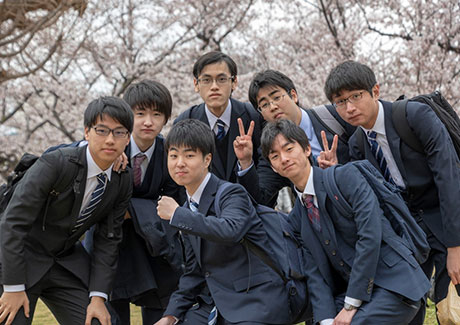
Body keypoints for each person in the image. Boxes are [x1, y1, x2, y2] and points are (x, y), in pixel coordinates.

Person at [323, 60, 460, 323]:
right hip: (409, 234)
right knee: (409, 302)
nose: (349, 108)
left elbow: (450, 176)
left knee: (450, 305)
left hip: (446, 218)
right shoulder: (357, 145)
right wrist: (337, 173)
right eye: (340, 102)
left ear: (375, 91)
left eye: (355, 96)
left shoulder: (414, 116)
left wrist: (456, 245)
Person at [261, 119, 430, 325]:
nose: (284, 158)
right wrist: (325, 320)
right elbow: (316, 274)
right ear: (273, 168)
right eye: (275, 156)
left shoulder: (346, 176)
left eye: (289, 148)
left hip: (395, 284)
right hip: (354, 293)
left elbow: (370, 235)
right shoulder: (297, 217)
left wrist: (351, 305)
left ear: (306, 149)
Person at [0, 97, 133, 325]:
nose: (110, 139)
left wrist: (98, 297)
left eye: (119, 132)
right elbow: (12, 223)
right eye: (102, 130)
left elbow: (108, 240)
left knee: (101, 321)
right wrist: (12, 287)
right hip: (20, 255)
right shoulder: (56, 163)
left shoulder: (122, 179)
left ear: (128, 138)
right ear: (86, 132)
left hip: (64, 261)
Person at [155, 119, 291, 325]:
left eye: (189, 155)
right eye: (173, 156)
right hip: (215, 303)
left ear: (207, 159)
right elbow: (194, 272)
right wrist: (170, 315)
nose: (179, 163)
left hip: (255, 301)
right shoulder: (186, 210)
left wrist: (177, 216)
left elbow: (231, 230)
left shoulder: (231, 193)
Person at [106, 80, 186, 325]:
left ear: (166, 118)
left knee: (159, 308)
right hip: (112, 244)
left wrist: (131, 209)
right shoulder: (110, 149)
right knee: (112, 315)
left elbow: (171, 203)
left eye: (156, 114)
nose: (148, 122)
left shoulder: (170, 153)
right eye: (140, 114)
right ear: (127, 116)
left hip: (153, 243)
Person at [234, 69, 355, 207]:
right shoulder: (273, 150)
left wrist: (337, 171)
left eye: (277, 97)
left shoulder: (333, 117)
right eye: (265, 105)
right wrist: (245, 162)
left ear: (293, 95)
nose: (273, 107)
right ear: (262, 114)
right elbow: (259, 198)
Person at [174, 51, 263, 183]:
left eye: (221, 79)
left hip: (249, 200)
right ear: (196, 84)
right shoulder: (185, 121)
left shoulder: (254, 117)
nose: (214, 87)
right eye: (206, 80)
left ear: (234, 82)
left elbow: (266, 169)